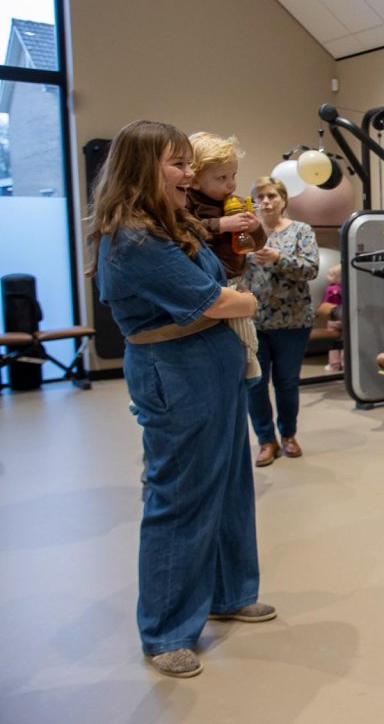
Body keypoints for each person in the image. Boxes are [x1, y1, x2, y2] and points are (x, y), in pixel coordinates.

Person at [87, 120, 274, 679]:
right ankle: (166, 629)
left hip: (210, 368)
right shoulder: (134, 238)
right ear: (143, 168)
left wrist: (234, 291)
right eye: (177, 164)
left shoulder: (169, 224)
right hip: (177, 372)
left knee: (230, 482)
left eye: (188, 163)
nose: (189, 174)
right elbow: (218, 301)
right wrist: (238, 301)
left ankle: (230, 591)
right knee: (181, 496)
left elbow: (224, 279)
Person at [244, 176, 319, 467]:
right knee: (255, 384)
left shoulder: (301, 231)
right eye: (260, 196)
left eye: (272, 195)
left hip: (293, 321)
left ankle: (288, 435)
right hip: (253, 322)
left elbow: (311, 269)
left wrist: (279, 258)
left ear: (283, 199)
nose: (266, 202)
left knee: (287, 383)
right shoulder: (244, 233)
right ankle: (266, 440)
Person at [187, 132, 267, 381]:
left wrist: (254, 227)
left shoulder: (232, 202)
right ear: (195, 180)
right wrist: (220, 224)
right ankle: (251, 366)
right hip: (208, 280)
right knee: (237, 328)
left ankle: (249, 361)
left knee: (244, 326)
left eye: (233, 176)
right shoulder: (188, 203)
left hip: (233, 277)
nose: (230, 184)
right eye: (221, 178)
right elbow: (187, 229)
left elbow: (257, 244)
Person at [321, 263, 344, 372]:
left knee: (333, 342)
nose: (327, 277)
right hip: (344, 319)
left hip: (333, 319)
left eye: (330, 275)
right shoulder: (345, 288)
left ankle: (334, 364)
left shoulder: (331, 289)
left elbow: (327, 305)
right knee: (345, 342)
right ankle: (345, 363)